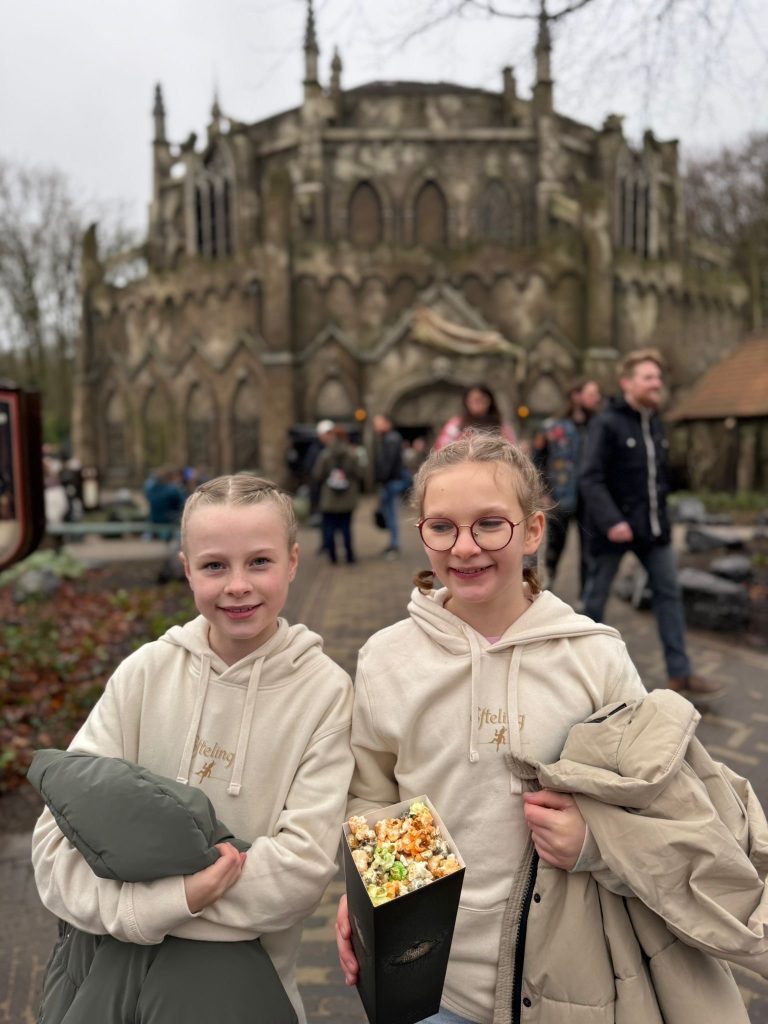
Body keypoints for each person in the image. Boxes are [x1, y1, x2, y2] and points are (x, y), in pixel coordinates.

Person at [334, 431, 768, 1023]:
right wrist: (372, 897)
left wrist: (593, 843)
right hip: (434, 982)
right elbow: (374, 791)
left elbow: (659, 801)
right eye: (442, 527)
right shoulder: (387, 658)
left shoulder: (595, 658)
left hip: (568, 978)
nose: (465, 548)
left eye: (490, 524)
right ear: (422, 534)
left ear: (534, 530)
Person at [31, 474, 354, 1024]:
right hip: (113, 990)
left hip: (244, 994)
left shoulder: (324, 693)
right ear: (186, 568)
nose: (237, 585)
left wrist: (135, 894)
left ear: (293, 562)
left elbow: (300, 872)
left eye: (259, 562)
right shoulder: (144, 674)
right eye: (214, 566)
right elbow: (53, 848)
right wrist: (172, 900)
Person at [579, 348, 724, 702]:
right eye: (648, 377)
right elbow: (590, 478)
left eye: (658, 378)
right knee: (595, 603)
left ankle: (680, 673)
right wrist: (612, 520)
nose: (656, 383)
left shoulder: (655, 423)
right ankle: (578, 670)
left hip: (653, 531)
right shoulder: (607, 423)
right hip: (614, 531)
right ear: (627, 383)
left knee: (669, 594)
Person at [531, 378, 602, 594]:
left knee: (589, 551)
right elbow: (537, 459)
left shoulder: (599, 425)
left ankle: (586, 596)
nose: (596, 399)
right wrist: (542, 491)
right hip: (559, 496)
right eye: (591, 394)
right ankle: (546, 590)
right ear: (576, 396)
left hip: (590, 499)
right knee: (555, 547)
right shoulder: (553, 426)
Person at [312, 425, 361, 564]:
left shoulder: (325, 454)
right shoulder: (352, 454)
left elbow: (318, 474)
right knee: (346, 528)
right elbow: (359, 473)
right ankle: (350, 556)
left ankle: (333, 557)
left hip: (329, 498)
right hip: (348, 498)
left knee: (329, 529)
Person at [433, 383, 517, 450]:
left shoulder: (501, 426)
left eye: (479, 400)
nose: (475, 404)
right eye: (471, 401)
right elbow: (441, 448)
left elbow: (512, 448)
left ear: (489, 401)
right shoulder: (456, 424)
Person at [372, 412, 407, 559]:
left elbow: (389, 463)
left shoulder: (391, 439)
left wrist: (382, 478)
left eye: (377, 422)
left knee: (391, 514)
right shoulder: (388, 439)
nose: (375, 426)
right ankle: (392, 544)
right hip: (389, 481)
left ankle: (394, 545)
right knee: (389, 513)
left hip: (391, 482)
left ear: (386, 423)